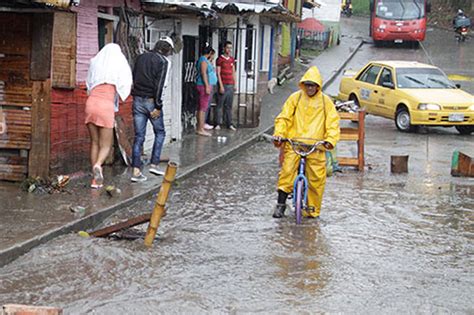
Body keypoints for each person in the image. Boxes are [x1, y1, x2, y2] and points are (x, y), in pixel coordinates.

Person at [272, 66, 340, 219]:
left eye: (313, 85)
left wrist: (330, 140)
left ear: (318, 86)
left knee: (317, 178)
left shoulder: (325, 102)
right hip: (294, 144)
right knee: (287, 172)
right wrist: (279, 134)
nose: (310, 88)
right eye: (307, 85)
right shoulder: (295, 98)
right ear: (303, 85)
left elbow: (332, 123)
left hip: (316, 147)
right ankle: (280, 204)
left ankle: (312, 208)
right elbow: (284, 117)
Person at [85, 43, 132, 189]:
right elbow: (126, 84)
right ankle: (98, 165)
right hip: (106, 105)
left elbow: (88, 85)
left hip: (91, 103)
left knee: (94, 142)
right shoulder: (119, 64)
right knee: (106, 145)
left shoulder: (95, 63)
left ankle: (95, 180)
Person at [130, 36, 174, 182]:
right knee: (160, 132)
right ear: (166, 50)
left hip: (137, 100)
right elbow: (159, 85)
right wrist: (158, 106)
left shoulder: (140, 57)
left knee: (139, 137)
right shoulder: (162, 61)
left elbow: (134, 76)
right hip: (151, 101)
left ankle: (136, 172)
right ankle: (154, 164)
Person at [195, 46, 217, 136]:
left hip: (205, 85)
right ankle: (200, 128)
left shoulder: (205, 60)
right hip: (203, 86)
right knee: (202, 108)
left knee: (202, 107)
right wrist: (207, 86)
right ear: (210, 53)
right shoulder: (203, 60)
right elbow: (204, 73)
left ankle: (200, 127)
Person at [216, 41, 237, 131]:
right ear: (224, 48)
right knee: (220, 105)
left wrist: (235, 84)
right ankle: (217, 123)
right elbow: (218, 73)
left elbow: (233, 72)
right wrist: (221, 86)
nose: (229, 50)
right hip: (223, 83)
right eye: (228, 48)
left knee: (229, 105)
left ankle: (229, 123)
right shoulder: (220, 59)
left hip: (230, 84)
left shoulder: (232, 59)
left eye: (230, 48)